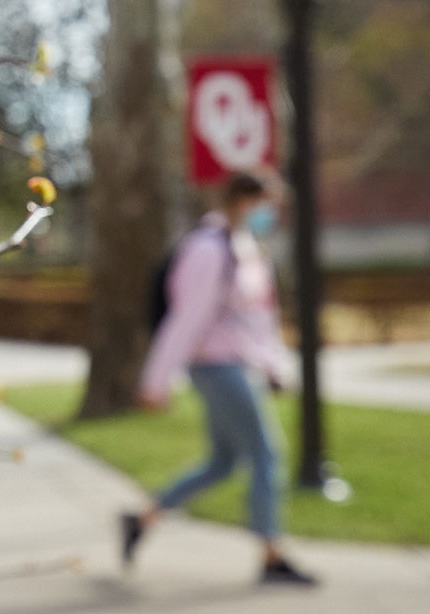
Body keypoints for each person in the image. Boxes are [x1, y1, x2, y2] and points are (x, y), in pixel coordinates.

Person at [119, 171, 318, 586]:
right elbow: (185, 319)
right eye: (266, 204)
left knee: (223, 463)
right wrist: (157, 380)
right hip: (215, 366)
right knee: (267, 455)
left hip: (238, 365)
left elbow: (257, 319)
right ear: (242, 200)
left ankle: (141, 520)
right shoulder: (208, 249)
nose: (271, 214)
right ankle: (271, 554)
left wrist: (273, 366)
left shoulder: (245, 248)